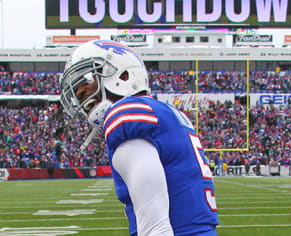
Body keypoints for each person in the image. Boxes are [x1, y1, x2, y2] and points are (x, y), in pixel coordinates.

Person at [59, 40, 219, 236]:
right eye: (79, 95)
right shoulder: (168, 113)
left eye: (86, 90)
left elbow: (156, 227)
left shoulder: (128, 114)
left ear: (123, 75)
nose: (83, 100)